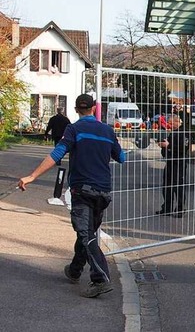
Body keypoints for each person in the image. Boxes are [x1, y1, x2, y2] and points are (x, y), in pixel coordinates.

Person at [17, 94, 126, 298]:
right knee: (88, 232)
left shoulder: (74, 129)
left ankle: (100, 278)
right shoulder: (108, 131)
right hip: (103, 192)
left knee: (86, 234)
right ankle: (75, 269)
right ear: (94, 109)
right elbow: (121, 157)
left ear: (76, 110)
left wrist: (32, 176)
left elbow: (57, 154)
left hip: (82, 190)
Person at [156, 114, 189, 218]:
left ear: (177, 122)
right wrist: (163, 147)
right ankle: (167, 208)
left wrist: (168, 146)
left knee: (178, 186)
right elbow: (166, 150)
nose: (169, 125)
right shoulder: (172, 133)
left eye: (171, 123)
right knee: (167, 185)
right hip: (170, 162)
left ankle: (180, 209)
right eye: (169, 123)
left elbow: (183, 148)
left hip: (179, 163)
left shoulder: (184, 132)